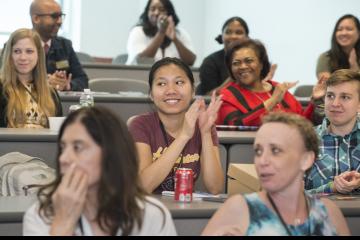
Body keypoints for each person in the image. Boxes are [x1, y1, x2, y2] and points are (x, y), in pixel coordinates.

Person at [23, 106, 177, 236]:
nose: (64, 158)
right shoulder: (41, 215)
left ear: (110, 153)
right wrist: (62, 223)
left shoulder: (151, 214)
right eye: (63, 147)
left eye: (78, 147)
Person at [202, 112, 350, 236]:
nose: (262, 160)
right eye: (258, 151)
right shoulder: (239, 210)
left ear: (306, 160)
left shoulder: (328, 213)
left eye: (276, 150)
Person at [128, 57, 224, 194]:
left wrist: (206, 133)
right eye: (161, 84)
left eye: (179, 82)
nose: (171, 90)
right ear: (151, 94)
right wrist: (184, 136)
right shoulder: (140, 125)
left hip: (184, 210)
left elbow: (216, 188)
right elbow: (143, 187)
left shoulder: (204, 126)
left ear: (193, 91)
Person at [216, 39, 324, 126]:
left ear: (262, 64)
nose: (243, 67)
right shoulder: (227, 95)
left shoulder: (277, 87)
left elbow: (303, 122)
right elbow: (235, 125)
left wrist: (315, 101)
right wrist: (273, 101)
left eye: (249, 61)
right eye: (236, 63)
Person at [305, 69, 360, 194]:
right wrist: (331, 188)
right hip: (317, 212)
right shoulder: (305, 140)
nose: (335, 103)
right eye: (330, 96)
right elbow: (290, 196)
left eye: (345, 97)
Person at [0, 28, 62, 128]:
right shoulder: (1, 89)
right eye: (17, 51)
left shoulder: (51, 93)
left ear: (38, 55)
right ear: (10, 55)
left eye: (29, 51)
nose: (23, 57)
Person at [30, 0, 89, 91]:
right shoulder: (17, 45)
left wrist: (67, 85)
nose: (60, 21)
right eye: (54, 16)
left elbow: (82, 80)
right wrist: (44, 82)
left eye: (61, 16)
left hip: (60, 102)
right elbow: (8, 79)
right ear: (36, 19)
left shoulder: (65, 45)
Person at [313, 14, 360, 125]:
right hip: (334, 110)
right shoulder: (325, 58)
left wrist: (355, 67)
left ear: (358, 32)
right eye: (339, 29)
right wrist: (354, 71)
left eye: (349, 29)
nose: (343, 32)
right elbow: (331, 87)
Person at [126, 0, 196, 66]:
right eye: (152, 9)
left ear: (169, 14)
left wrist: (175, 39)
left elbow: (190, 61)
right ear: (147, 12)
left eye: (162, 10)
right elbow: (142, 61)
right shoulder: (138, 32)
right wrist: (161, 32)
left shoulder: (180, 33)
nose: (156, 13)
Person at [196, 17, 250, 96]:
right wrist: (233, 77)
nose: (233, 36)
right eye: (228, 32)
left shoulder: (253, 61)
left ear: (247, 37)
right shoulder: (210, 62)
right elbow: (208, 97)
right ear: (222, 36)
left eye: (238, 32)